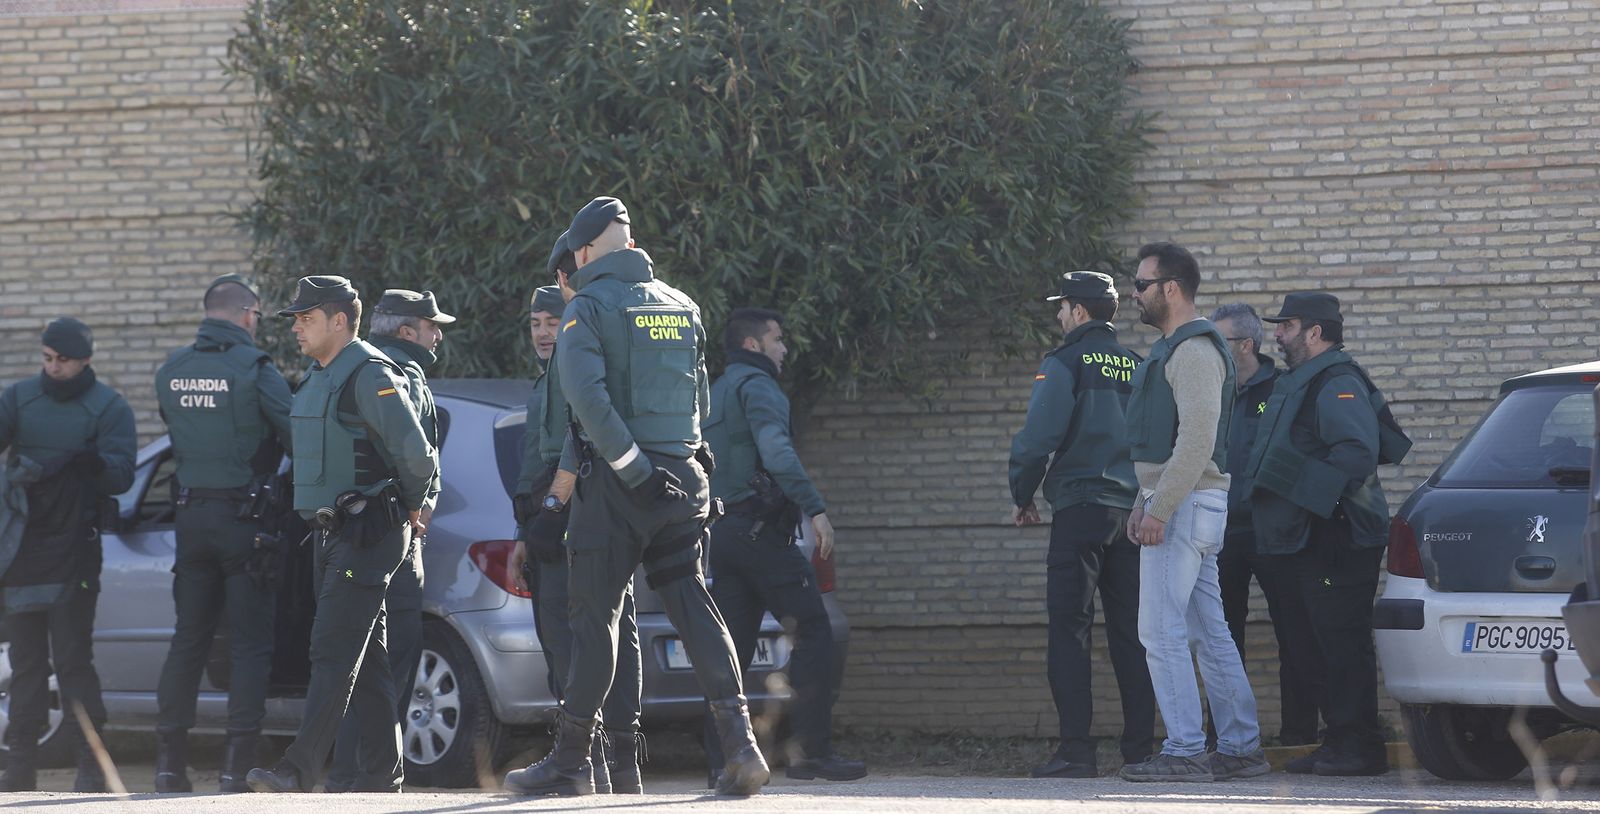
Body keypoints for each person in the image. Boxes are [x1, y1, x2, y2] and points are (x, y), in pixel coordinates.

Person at [504, 196, 768, 797]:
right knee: (694, 606)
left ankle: (571, 762)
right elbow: (700, 401)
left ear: (584, 251)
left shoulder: (588, 308)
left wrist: (632, 469)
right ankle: (742, 749)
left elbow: (587, 402)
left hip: (619, 489)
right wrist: (679, 465)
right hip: (685, 482)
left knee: (594, 619)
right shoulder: (680, 304)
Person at [246, 275, 437, 793]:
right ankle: (383, 776)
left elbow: (417, 454)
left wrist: (415, 507)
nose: (298, 328)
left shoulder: (370, 373)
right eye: (296, 319)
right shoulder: (319, 375)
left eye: (307, 319)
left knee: (331, 650)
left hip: (368, 534)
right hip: (328, 534)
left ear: (339, 321)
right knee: (368, 660)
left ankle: (297, 769)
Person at [1118, 243, 1266, 783]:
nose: (1134, 294)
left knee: (1160, 633)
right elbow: (1169, 444)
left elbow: (1197, 441)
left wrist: (1158, 507)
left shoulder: (1195, 351)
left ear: (1171, 288)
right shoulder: (1176, 349)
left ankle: (1184, 751)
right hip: (1185, 504)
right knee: (1208, 631)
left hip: (1183, 507)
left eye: (1141, 284)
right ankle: (1240, 748)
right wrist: (1144, 500)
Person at [702, 307, 866, 783]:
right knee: (814, 630)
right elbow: (776, 450)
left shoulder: (715, 391)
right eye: (777, 340)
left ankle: (723, 760)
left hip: (724, 535)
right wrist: (816, 508)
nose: (784, 348)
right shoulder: (759, 387)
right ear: (753, 345)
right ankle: (810, 753)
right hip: (761, 536)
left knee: (730, 649)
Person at [506, 246, 645, 795]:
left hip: (579, 512)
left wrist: (552, 512)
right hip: (551, 520)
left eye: (553, 320)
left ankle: (593, 763)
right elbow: (531, 464)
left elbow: (579, 443)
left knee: (586, 640)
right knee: (593, 638)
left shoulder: (579, 362)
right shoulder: (546, 377)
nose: (544, 332)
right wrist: (524, 533)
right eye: (535, 323)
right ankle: (605, 767)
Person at [1250, 292, 1407, 776]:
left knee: (1341, 644)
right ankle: (1339, 742)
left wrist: (1300, 493)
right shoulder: (1305, 380)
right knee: (1317, 646)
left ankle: (1359, 747)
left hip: (1337, 538)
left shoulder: (1337, 381)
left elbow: (1356, 454)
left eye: (1287, 325)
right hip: (1311, 537)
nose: (1277, 334)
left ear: (1315, 332)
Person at [1009, 272, 1153, 778]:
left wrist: (1022, 494)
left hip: (1080, 509)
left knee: (1070, 630)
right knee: (1133, 634)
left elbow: (1036, 439)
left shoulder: (1065, 361)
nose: (1058, 315)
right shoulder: (1138, 365)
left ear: (1078, 310)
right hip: (1132, 516)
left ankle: (1076, 752)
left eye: (1062, 306)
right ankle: (1141, 753)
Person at [153, 275, 293, 793]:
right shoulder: (256, 370)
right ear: (248, 315)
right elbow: (299, 437)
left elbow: (178, 437)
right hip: (244, 522)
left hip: (190, 520)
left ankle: (169, 767)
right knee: (249, 645)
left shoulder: (172, 370)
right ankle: (236, 769)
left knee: (188, 639)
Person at [0, 317, 136, 792]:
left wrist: (93, 464)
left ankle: (91, 768)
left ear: (85, 361)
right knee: (26, 664)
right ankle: (19, 767)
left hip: (76, 551)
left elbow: (122, 475)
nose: (53, 368)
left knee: (74, 660)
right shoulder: (19, 399)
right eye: (47, 359)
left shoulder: (109, 407)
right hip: (21, 551)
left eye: (63, 360)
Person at [325, 288, 453, 792]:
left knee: (357, 658)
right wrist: (421, 510)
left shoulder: (348, 368)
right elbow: (420, 460)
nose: (437, 335)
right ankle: (373, 779)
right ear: (407, 331)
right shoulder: (404, 377)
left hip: (346, 536)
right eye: (432, 326)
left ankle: (345, 777)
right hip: (394, 536)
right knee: (391, 662)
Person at [1207, 303, 1322, 749]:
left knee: (1294, 632)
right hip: (1219, 532)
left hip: (1274, 531)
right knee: (1220, 637)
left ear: (1246, 345)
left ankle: (1299, 736)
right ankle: (1224, 739)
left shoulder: (1283, 390)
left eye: (1219, 341)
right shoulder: (1208, 390)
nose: (1211, 350)